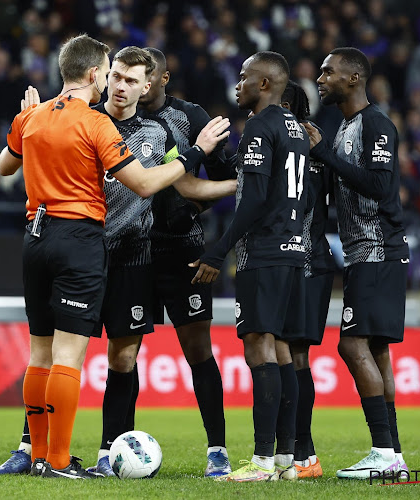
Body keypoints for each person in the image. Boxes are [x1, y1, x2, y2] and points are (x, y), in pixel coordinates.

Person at [0, 34, 230, 480]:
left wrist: (244, 187)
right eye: (112, 74)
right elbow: (144, 183)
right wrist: (197, 152)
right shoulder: (93, 121)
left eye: (128, 79)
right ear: (97, 76)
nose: (117, 84)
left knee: (101, 356)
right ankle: (38, 452)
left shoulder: (155, 132)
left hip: (119, 255)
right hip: (82, 247)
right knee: (61, 355)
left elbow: (181, 186)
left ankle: (102, 453)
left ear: (147, 87)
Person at [191, 51, 310, 482]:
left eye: (243, 77)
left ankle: (261, 461)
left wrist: (219, 249)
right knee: (281, 351)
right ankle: (287, 460)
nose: (237, 84)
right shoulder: (296, 127)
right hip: (296, 250)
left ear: (264, 84)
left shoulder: (260, 126)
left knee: (259, 348)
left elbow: (255, 199)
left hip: (266, 252)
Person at [303, 47, 409, 479]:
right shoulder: (346, 125)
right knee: (376, 349)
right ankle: (393, 454)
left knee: (351, 345)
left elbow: (381, 187)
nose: (322, 78)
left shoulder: (376, 124)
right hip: (363, 251)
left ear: (354, 78)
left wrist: (325, 154)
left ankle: (383, 453)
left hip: (378, 248)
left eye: (329, 72)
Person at [133, 46, 236, 478]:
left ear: (161, 79)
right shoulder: (114, 116)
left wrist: (195, 207)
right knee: (124, 350)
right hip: (132, 247)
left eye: (146, 75)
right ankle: (110, 448)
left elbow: (218, 173)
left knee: (198, 350)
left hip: (182, 247)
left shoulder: (190, 117)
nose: (136, 84)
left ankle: (218, 449)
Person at [279, 80, 337, 479]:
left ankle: (303, 452)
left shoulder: (308, 148)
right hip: (293, 261)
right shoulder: (309, 149)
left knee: (294, 354)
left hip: (306, 262)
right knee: (287, 353)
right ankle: (291, 451)